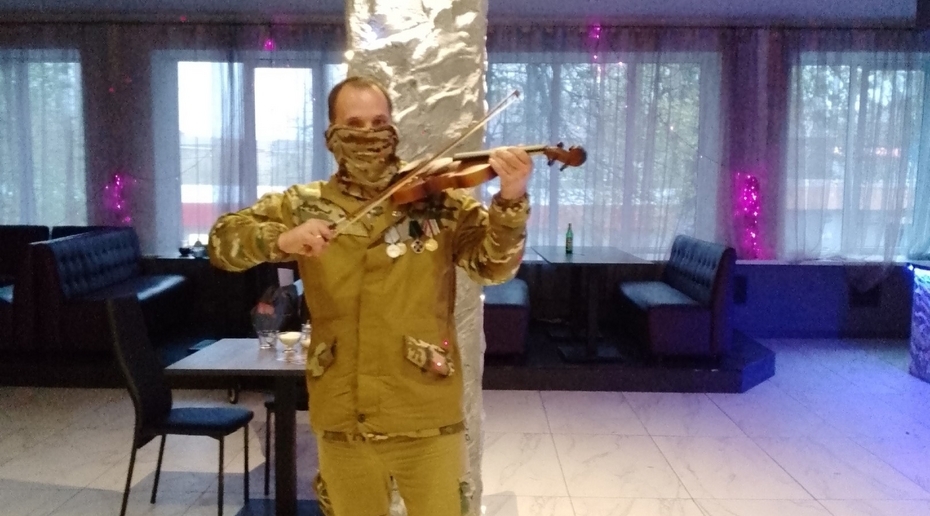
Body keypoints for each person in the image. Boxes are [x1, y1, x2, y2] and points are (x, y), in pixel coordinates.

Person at [208, 76, 532, 516]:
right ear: (331, 133)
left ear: (393, 126)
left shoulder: (439, 201)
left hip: (426, 410)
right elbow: (222, 242)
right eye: (355, 124)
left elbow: (494, 267)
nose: (369, 134)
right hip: (343, 412)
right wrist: (281, 239)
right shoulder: (303, 205)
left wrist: (511, 199)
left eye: (379, 122)